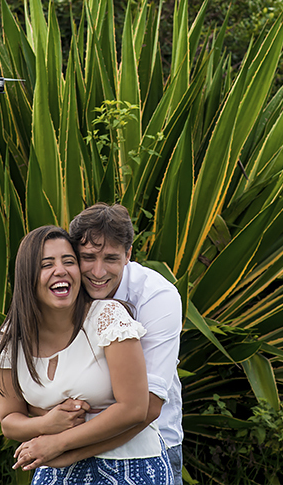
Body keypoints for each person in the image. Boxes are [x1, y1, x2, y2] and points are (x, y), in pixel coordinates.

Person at [0, 224, 171, 484]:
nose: (60, 270)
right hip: (53, 468)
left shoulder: (107, 318)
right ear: (27, 275)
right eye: (46, 264)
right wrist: (46, 425)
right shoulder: (11, 337)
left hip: (130, 464)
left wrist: (60, 443)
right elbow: (9, 420)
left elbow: (134, 408)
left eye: (68, 261)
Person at [69, 203, 184, 485]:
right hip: (73, 443)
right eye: (88, 257)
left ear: (128, 254)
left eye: (110, 258)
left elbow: (148, 408)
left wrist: (63, 449)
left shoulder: (158, 297)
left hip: (151, 447)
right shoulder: (64, 291)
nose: (98, 272)